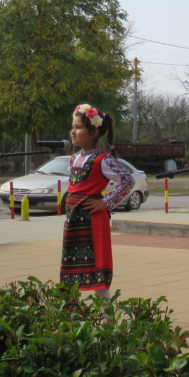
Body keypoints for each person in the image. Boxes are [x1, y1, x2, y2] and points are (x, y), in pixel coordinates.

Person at [60, 103, 134, 300]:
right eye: (73, 127)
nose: (72, 132)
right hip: (75, 222)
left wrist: (105, 202)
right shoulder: (73, 158)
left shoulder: (103, 159)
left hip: (92, 222)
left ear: (93, 132)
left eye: (78, 127)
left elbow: (127, 180)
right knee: (71, 274)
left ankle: (106, 321)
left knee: (97, 274)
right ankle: (71, 321)